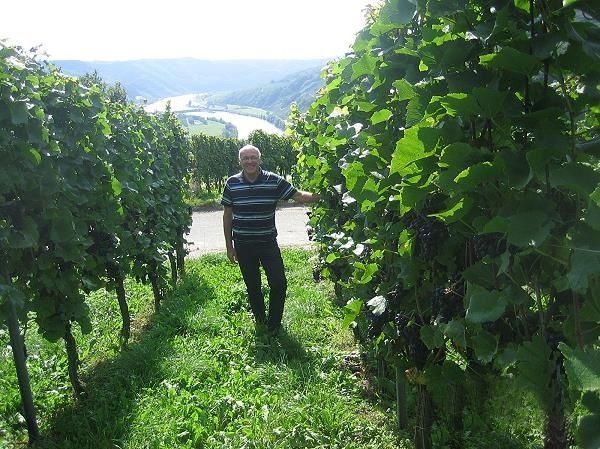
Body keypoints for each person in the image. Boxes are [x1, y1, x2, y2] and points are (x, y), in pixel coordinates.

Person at [221, 144, 320, 335]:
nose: (249, 161)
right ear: (239, 161)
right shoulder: (232, 183)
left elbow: (298, 195)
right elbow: (227, 216)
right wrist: (229, 245)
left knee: (279, 283)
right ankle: (260, 320)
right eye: (245, 158)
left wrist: (323, 196)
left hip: (268, 243)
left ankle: (274, 325)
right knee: (253, 286)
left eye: (253, 157)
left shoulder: (273, 180)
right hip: (243, 244)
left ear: (260, 159)